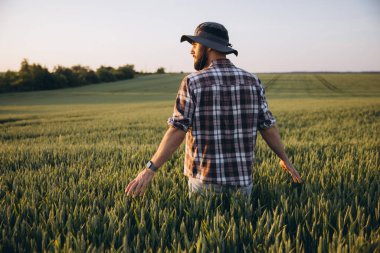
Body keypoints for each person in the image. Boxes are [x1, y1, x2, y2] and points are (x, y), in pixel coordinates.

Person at [125, 22, 302, 198]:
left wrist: (150, 169)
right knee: (242, 226)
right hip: (242, 183)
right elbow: (267, 127)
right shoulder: (252, 81)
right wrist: (285, 159)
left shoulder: (193, 82)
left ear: (208, 47)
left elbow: (177, 130)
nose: (191, 50)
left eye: (194, 45)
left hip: (204, 182)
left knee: (204, 225)